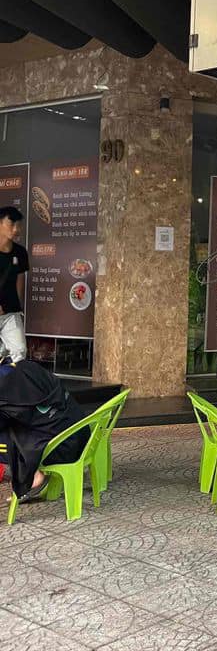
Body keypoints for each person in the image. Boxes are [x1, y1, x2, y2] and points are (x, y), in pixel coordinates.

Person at [0, 356, 87, 501]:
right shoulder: (26, 366)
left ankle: (34, 477)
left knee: (8, 435)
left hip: (60, 448)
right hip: (80, 433)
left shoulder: (4, 388)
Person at [0, 207, 28, 363]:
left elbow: (20, 278)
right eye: (11, 224)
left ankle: (15, 378)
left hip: (11, 313)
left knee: (19, 352)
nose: (16, 229)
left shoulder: (20, 252)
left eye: (18, 225)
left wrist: (18, 305)